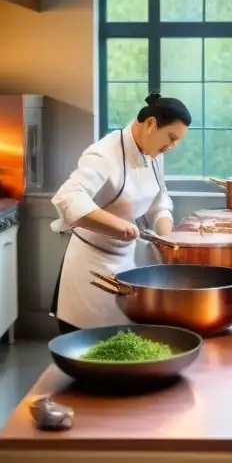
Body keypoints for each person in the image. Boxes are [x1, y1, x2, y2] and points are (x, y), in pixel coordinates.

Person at [50, 93, 192, 333]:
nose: (171, 147)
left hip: (125, 264)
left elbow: (159, 200)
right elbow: (68, 197)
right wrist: (118, 226)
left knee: (122, 343)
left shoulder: (153, 153)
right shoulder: (104, 154)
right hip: (90, 268)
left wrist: (168, 239)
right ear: (150, 124)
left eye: (176, 142)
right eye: (170, 138)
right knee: (91, 350)